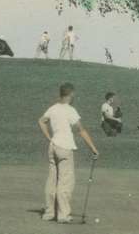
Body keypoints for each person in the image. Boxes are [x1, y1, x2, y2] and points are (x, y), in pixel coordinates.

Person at [38, 83, 99, 223]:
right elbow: (81, 130)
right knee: (65, 182)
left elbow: (41, 121)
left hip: (53, 146)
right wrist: (93, 148)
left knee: (52, 181)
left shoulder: (52, 108)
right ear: (71, 95)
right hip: (65, 148)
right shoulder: (70, 110)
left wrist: (49, 137)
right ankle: (63, 215)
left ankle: (49, 213)